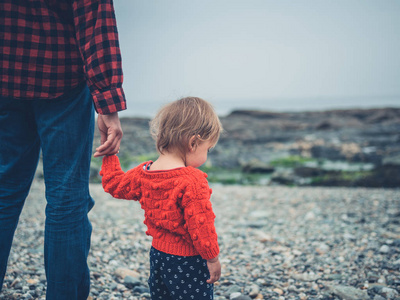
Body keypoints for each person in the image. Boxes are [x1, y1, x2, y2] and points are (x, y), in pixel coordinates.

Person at [0, 0, 126, 299]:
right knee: (66, 199)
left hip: (5, 80)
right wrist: (107, 104)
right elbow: (96, 22)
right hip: (61, 81)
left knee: (3, 194)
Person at [100, 97, 222, 299]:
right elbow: (202, 227)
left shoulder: (144, 173)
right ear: (193, 143)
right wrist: (212, 258)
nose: (206, 155)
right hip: (188, 261)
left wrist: (109, 149)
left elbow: (113, 184)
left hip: (158, 256)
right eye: (207, 149)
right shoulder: (192, 180)